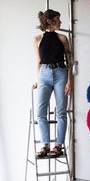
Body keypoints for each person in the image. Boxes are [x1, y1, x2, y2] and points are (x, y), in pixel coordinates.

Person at [33, 9, 73, 157]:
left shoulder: (63, 38)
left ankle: (58, 145)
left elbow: (69, 62)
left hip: (60, 73)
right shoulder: (37, 39)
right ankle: (45, 145)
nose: (60, 22)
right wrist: (38, 80)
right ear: (50, 21)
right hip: (44, 74)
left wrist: (70, 80)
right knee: (40, 113)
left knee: (61, 112)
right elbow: (38, 61)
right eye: (58, 19)